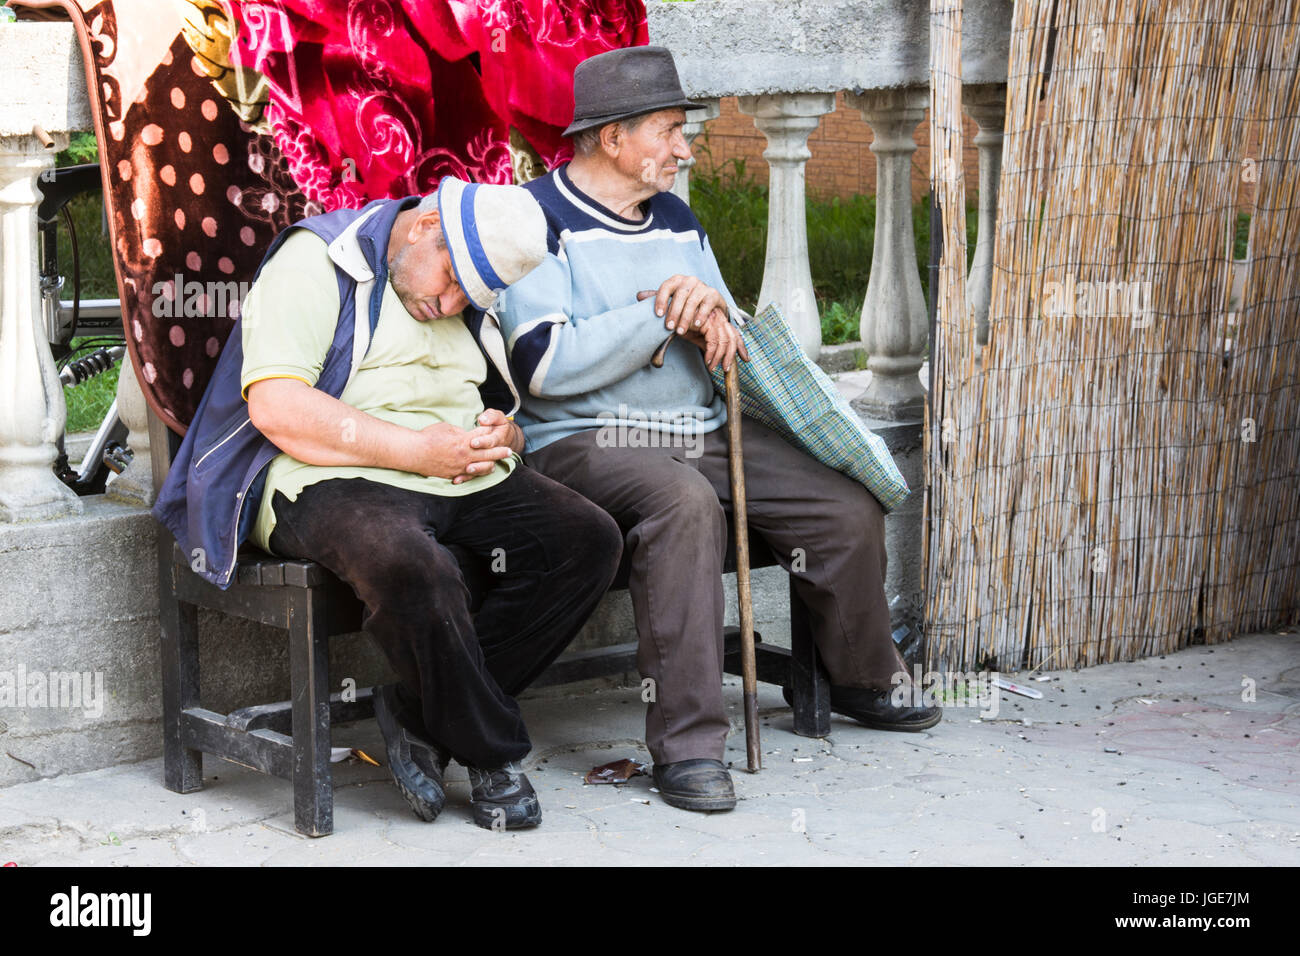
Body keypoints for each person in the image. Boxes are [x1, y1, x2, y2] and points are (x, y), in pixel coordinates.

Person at [494, 46, 940, 814]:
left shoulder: (675, 218)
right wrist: (658, 313)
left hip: (698, 426)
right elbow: (543, 365)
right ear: (614, 137)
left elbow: (721, 319)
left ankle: (863, 675)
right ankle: (690, 746)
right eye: (669, 131)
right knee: (685, 507)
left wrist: (713, 320)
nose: (685, 148)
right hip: (584, 438)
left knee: (842, 506)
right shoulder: (538, 220)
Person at [154, 178, 623, 830]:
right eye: (450, 280)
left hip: (451, 467)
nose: (449, 304)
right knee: (411, 566)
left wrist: (504, 436)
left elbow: (492, 401)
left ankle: (415, 714)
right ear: (426, 225)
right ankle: (490, 750)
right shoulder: (318, 259)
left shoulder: (460, 288)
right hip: (324, 471)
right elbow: (277, 408)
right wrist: (414, 452)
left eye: (470, 298)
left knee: (586, 540)